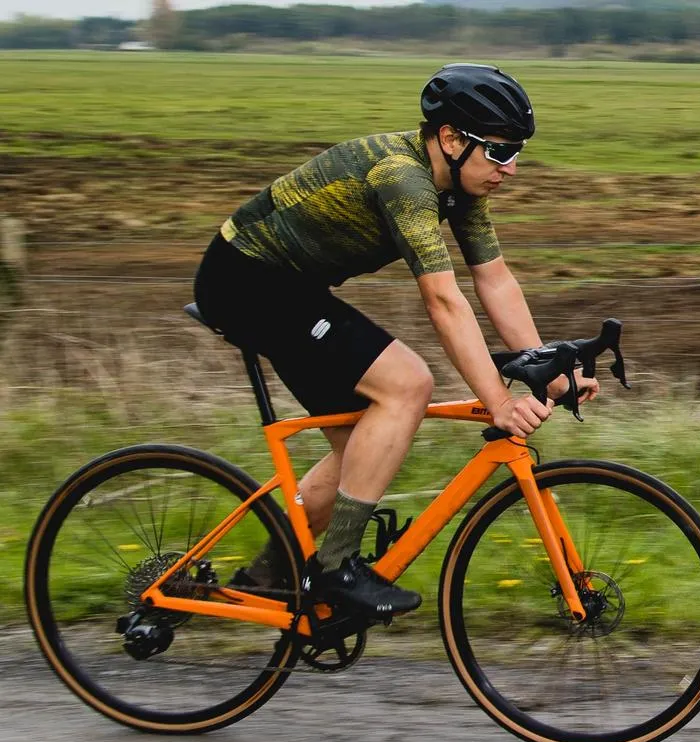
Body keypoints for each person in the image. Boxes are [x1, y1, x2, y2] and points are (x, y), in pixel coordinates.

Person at [190, 63, 597, 615]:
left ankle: (272, 573)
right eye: (500, 151)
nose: (513, 168)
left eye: (516, 151)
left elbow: (493, 279)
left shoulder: (459, 187)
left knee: (365, 443)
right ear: (451, 138)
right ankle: (334, 568)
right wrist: (499, 402)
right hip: (247, 282)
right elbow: (444, 300)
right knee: (407, 386)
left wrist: (547, 366)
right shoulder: (402, 177)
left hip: (293, 287)